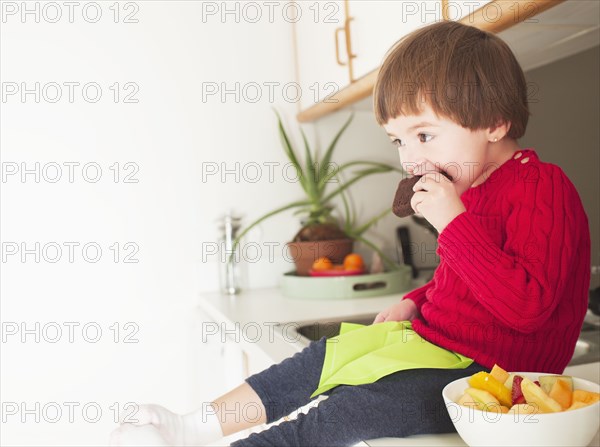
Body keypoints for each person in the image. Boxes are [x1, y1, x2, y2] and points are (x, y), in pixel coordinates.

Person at [109, 19, 591, 447]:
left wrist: (452, 222)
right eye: (399, 140)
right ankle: (194, 427)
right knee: (319, 359)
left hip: (490, 378)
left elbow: (526, 307)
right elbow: (467, 282)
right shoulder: (470, 187)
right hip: (436, 343)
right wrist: (419, 299)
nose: (410, 158)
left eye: (424, 135)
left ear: (495, 122)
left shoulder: (540, 187)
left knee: (357, 406)